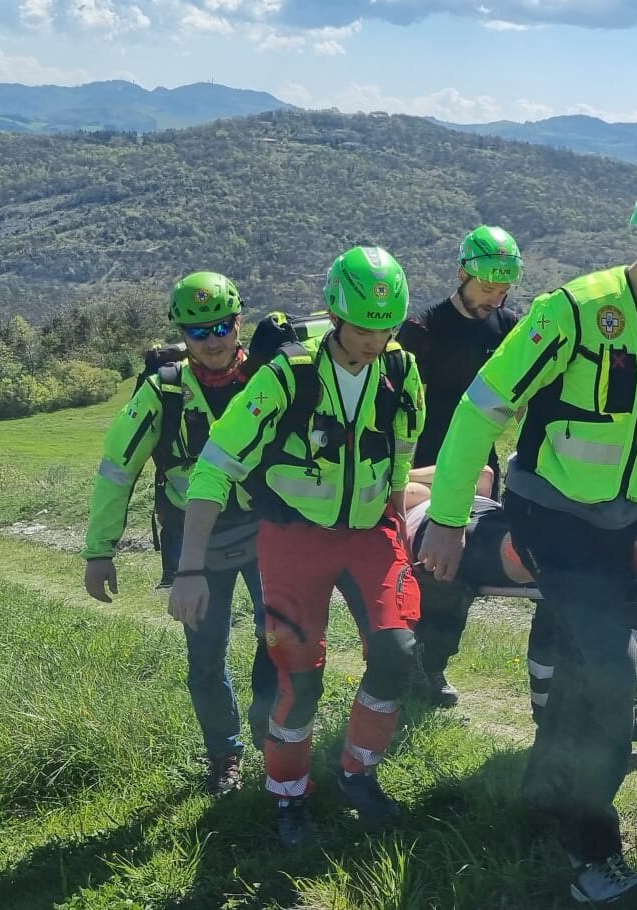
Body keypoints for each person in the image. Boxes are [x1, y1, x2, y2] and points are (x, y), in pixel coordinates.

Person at [416, 168, 637, 905]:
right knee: (614, 673)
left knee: (584, 672)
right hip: (548, 515)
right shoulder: (575, 311)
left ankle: (537, 802)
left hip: (621, 523)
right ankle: (594, 856)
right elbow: (479, 412)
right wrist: (447, 518)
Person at [172, 246, 426, 848]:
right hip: (292, 538)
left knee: (397, 652)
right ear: (336, 316)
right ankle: (288, 795)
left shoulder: (399, 369)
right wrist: (189, 568)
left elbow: (403, 437)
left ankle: (357, 770)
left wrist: (396, 496)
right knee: (299, 678)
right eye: (364, 327)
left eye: (387, 327)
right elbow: (214, 468)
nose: (375, 340)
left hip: (369, 534)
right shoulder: (287, 376)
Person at [84, 271, 274, 797]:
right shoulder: (162, 392)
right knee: (207, 657)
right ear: (182, 335)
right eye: (198, 331)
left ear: (240, 323)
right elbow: (117, 469)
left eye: (222, 327)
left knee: (276, 635)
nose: (212, 340)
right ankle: (225, 755)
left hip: (267, 533)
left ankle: (268, 722)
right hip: (196, 545)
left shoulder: (267, 377)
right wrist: (100, 550)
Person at [399, 225, 522, 708]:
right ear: (461, 275)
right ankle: (406, 659)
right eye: (487, 288)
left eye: (502, 290)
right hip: (422, 462)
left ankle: (432, 664)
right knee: (422, 568)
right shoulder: (423, 330)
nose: (495, 298)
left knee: (461, 570)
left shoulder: (510, 328)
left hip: (480, 466)